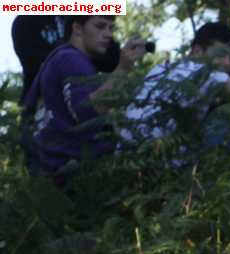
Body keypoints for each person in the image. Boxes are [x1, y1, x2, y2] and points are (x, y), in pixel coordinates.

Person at [22, 16, 145, 176]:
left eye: (111, 28)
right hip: (72, 175)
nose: (108, 34)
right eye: (100, 26)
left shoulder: (62, 58)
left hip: (53, 172)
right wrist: (123, 69)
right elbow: (89, 114)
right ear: (78, 28)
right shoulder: (70, 58)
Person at [119, 21, 230, 149]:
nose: (227, 62)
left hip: (123, 155)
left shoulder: (160, 68)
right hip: (160, 159)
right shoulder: (205, 72)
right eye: (221, 54)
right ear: (197, 51)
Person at [11, 15, 120, 103]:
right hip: (42, 109)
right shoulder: (24, 21)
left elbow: (112, 60)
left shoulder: (79, 16)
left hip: (87, 102)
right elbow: (35, 64)